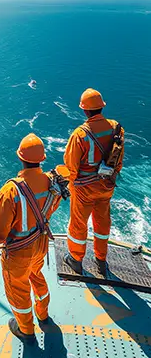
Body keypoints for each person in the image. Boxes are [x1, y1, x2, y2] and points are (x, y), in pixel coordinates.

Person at [0, 133, 68, 342]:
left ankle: (26, 329)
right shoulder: (52, 183)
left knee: (18, 290)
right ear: (42, 159)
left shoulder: (11, 190)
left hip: (19, 251)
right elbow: (53, 205)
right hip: (40, 243)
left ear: (20, 158)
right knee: (36, 275)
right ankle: (43, 314)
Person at [64, 88, 124, 276]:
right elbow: (118, 159)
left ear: (85, 110)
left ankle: (75, 259)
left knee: (78, 224)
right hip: (106, 186)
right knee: (102, 222)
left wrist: (70, 184)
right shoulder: (116, 128)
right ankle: (101, 259)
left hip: (84, 190)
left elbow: (71, 168)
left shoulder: (80, 134)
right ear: (101, 107)